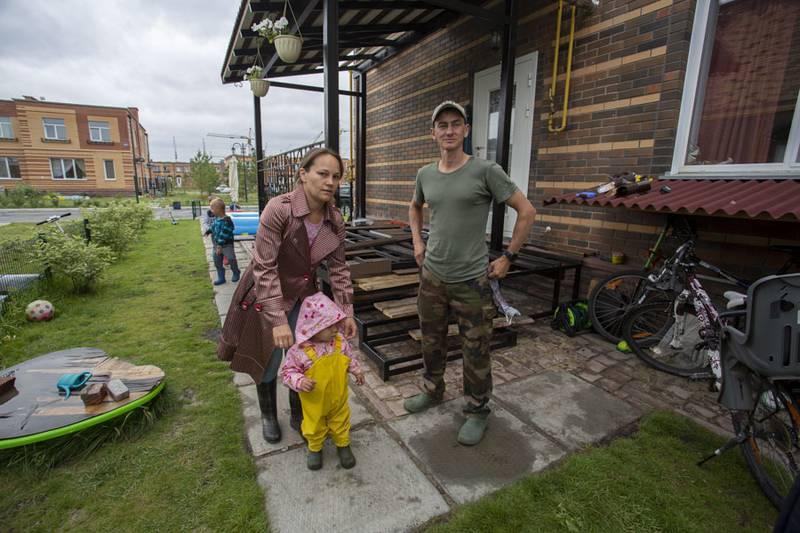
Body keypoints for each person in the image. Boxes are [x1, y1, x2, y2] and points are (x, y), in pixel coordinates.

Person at [404, 101, 537, 446]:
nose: (448, 131)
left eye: (455, 124)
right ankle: (432, 390)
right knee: (431, 342)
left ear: (465, 130)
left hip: (471, 281)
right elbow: (414, 206)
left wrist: (509, 256)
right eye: (442, 125)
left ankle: (477, 411)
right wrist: (417, 242)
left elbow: (527, 211)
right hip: (432, 277)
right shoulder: (425, 174)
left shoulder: (486, 171)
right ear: (432, 133)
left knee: (475, 349)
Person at [218, 147, 357, 445]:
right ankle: (268, 415)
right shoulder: (279, 209)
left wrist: (346, 310)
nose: (330, 182)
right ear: (303, 174)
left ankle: (298, 414)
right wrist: (278, 319)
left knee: (303, 356)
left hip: (304, 298)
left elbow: (339, 269)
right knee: (266, 357)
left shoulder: (334, 219)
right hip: (264, 293)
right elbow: (264, 266)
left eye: (336, 176)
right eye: (322, 173)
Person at [280, 292, 365, 470]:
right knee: (314, 424)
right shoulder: (299, 351)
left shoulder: (340, 342)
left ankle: (343, 444)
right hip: (314, 401)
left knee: (341, 420)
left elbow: (348, 358)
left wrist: (356, 371)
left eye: (336, 324)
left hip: (338, 396)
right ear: (313, 327)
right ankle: (315, 448)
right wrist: (299, 380)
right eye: (329, 326)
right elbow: (288, 372)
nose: (335, 329)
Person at [209, 198, 240, 285]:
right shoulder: (217, 219)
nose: (211, 210)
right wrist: (209, 231)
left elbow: (224, 234)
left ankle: (236, 271)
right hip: (216, 245)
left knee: (231, 259)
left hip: (226, 245)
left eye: (212, 208)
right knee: (217, 261)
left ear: (218, 209)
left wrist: (219, 246)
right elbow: (213, 227)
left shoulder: (227, 220)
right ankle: (221, 277)